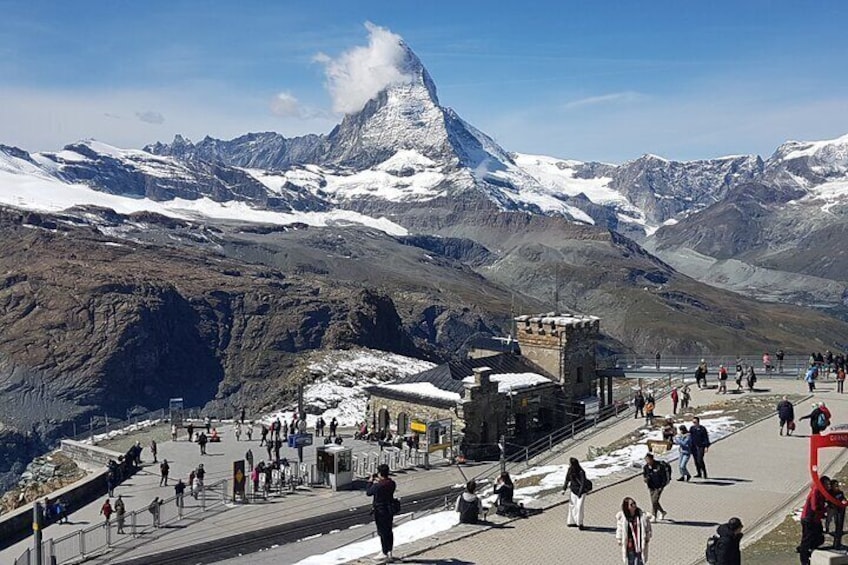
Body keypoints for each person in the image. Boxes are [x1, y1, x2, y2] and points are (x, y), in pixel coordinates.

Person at [367, 463, 397, 563]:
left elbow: (368, 492)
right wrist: (380, 480)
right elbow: (385, 486)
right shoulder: (392, 483)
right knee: (389, 531)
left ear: (380, 473)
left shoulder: (378, 486)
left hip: (380, 511)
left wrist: (371, 482)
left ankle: (384, 552)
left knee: (382, 532)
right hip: (389, 509)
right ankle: (389, 551)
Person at [799, 477, 829, 565]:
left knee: (819, 538)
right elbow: (814, 506)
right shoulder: (816, 491)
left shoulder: (823, 493)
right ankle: (804, 560)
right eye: (827, 484)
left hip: (815, 519)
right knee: (807, 540)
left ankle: (809, 553)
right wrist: (824, 510)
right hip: (809, 518)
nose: (828, 486)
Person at [616, 497, 652, 565]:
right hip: (630, 544)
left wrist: (648, 536)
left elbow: (648, 527)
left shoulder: (642, 516)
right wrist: (619, 539)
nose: (634, 506)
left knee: (640, 561)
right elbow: (620, 528)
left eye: (634, 503)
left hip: (640, 542)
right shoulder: (623, 518)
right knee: (631, 561)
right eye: (632, 504)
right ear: (627, 507)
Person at [563, 457, 589, 529]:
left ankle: (579, 523)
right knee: (572, 506)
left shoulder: (581, 472)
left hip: (580, 492)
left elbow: (583, 483)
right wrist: (564, 489)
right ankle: (571, 522)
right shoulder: (570, 470)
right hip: (573, 491)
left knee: (579, 507)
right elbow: (567, 479)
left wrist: (580, 493)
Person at [642, 453, 670, 521]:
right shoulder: (646, 467)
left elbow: (663, 476)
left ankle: (654, 516)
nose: (647, 461)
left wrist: (663, 485)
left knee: (654, 500)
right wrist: (645, 479)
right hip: (651, 486)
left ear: (652, 459)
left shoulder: (659, 466)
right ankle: (663, 512)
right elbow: (645, 475)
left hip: (659, 486)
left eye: (648, 459)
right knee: (654, 501)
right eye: (646, 460)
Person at [826, 479, 846, 549]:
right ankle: (827, 528)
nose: (837, 486)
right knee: (829, 519)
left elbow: (843, 499)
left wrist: (843, 501)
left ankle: (838, 536)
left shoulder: (840, 492)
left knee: (838, 522)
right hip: (832, 509)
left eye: (837, 485)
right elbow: (828, 500)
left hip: (840, 509)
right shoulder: (830, 493)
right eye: (835, 485)